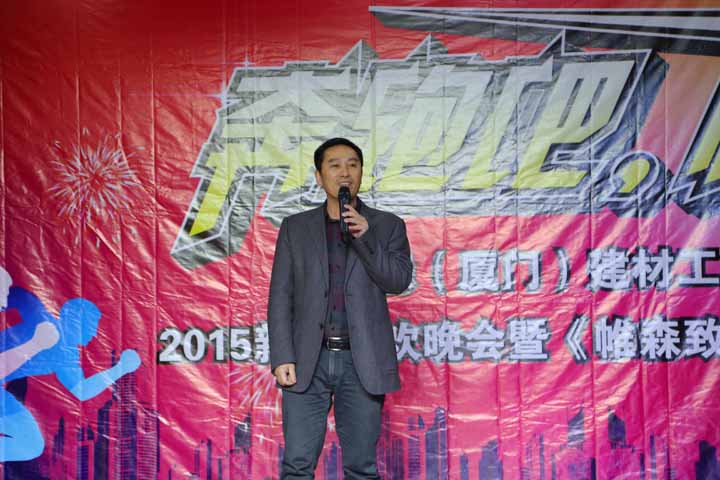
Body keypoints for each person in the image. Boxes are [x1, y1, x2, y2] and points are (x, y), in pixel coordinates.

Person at [268, 137, 413, 479]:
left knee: (361, 468)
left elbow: (397, 281)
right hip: (308, 360)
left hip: (362, 361)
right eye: (334, 165)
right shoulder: (295, 228)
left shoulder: (387, 225)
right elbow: (280, 296)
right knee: (297, 466)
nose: (344, 172)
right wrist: (282, 356)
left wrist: (366, 237)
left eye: (352, 165)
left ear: (361, 173)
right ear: (319, 176)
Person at [0, 286, 141, 461]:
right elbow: (19, 295)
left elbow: (82, 390)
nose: (94, 333)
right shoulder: (40, 318)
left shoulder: (67, 355)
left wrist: (120, 368)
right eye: (91, 326)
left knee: (30, 444)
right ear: (75, 321)